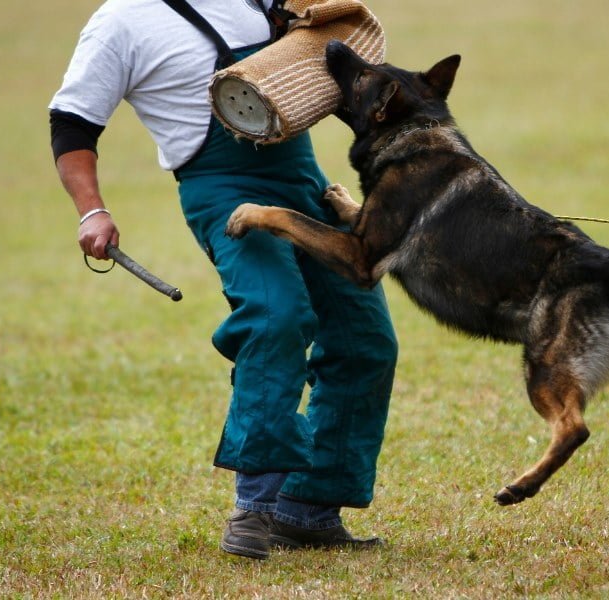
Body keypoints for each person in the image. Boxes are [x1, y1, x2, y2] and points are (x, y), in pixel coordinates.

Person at [49, 0, 398, 561]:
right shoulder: (118, 23)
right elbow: (71, 123)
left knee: (366, 339)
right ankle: (256, 505)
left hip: (302, 177)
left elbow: (315, 73)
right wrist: (92, 210)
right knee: (275, 314)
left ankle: (307, 509)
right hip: (220, 188)